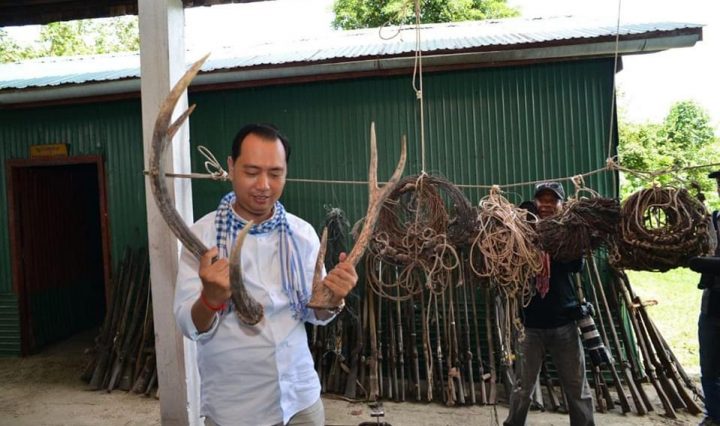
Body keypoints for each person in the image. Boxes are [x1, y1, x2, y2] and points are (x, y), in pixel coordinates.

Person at [174, 123, 358, 426]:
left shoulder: (302, 234)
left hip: (301, 401)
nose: (264, 185)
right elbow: (188, 325)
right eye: (251, 172)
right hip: (234, 409)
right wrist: (210, 300)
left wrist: (333, 298)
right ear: (231, 167)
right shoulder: (202, 238)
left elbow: (315, 314)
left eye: (275, 173)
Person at [504, 181, 595, 426]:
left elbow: (576, 266)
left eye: (552, 200)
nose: (546, 205)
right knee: (522, 387)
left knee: (576, 386)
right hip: (530, 324)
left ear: (561, 204)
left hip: (564, 323)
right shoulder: (522, 232)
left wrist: (556, 239)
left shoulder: (567, 234)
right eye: (541, 200)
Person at [689, 170, 720, 426]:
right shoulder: (715, 219)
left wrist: (703, 263)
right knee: (709, 366)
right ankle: (714, 416)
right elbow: (705, 249)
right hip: (712, 306)